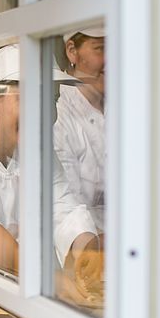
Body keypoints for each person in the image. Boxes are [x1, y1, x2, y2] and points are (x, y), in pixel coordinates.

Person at [0, 45, 102, 300]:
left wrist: (86, 251)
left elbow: (64, 210)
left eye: (52, 99)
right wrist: (45, 277)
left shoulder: (39, 155)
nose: (43, 114)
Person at [54, 28, 106, 230]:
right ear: (72, 51)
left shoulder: (125, 105)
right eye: (100, 48)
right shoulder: (58, 112)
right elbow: (65, 207)